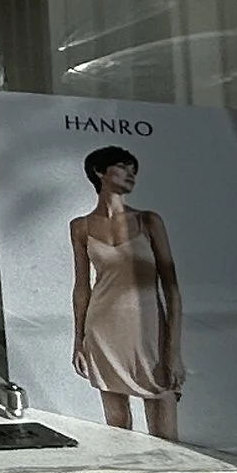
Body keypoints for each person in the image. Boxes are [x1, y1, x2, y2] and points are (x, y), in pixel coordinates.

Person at [70, 145, 185, 440]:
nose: (131, 174)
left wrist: (173, 353)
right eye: (123, 167)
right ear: (100, 172)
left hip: (148, 330)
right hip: (103, 331)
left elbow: (171, 289)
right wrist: (79, 341)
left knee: (166, 432)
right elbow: (82, 286)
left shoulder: (149, 221)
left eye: (134, 169)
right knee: (118, 429)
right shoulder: (81, 227)